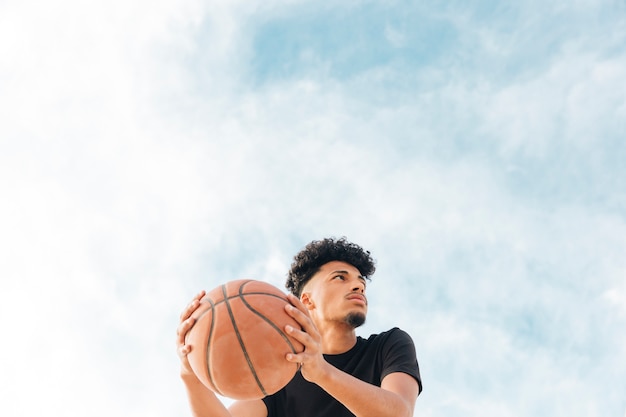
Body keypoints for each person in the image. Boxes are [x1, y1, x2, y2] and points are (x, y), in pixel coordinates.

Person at [176, 237, 422, 417]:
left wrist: (321, 372)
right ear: (306, 300)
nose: (358, 287)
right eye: (340, 277)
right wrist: (190, 375)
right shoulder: (279, 372)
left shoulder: (389, 345)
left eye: (361, 283)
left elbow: (399, 413)